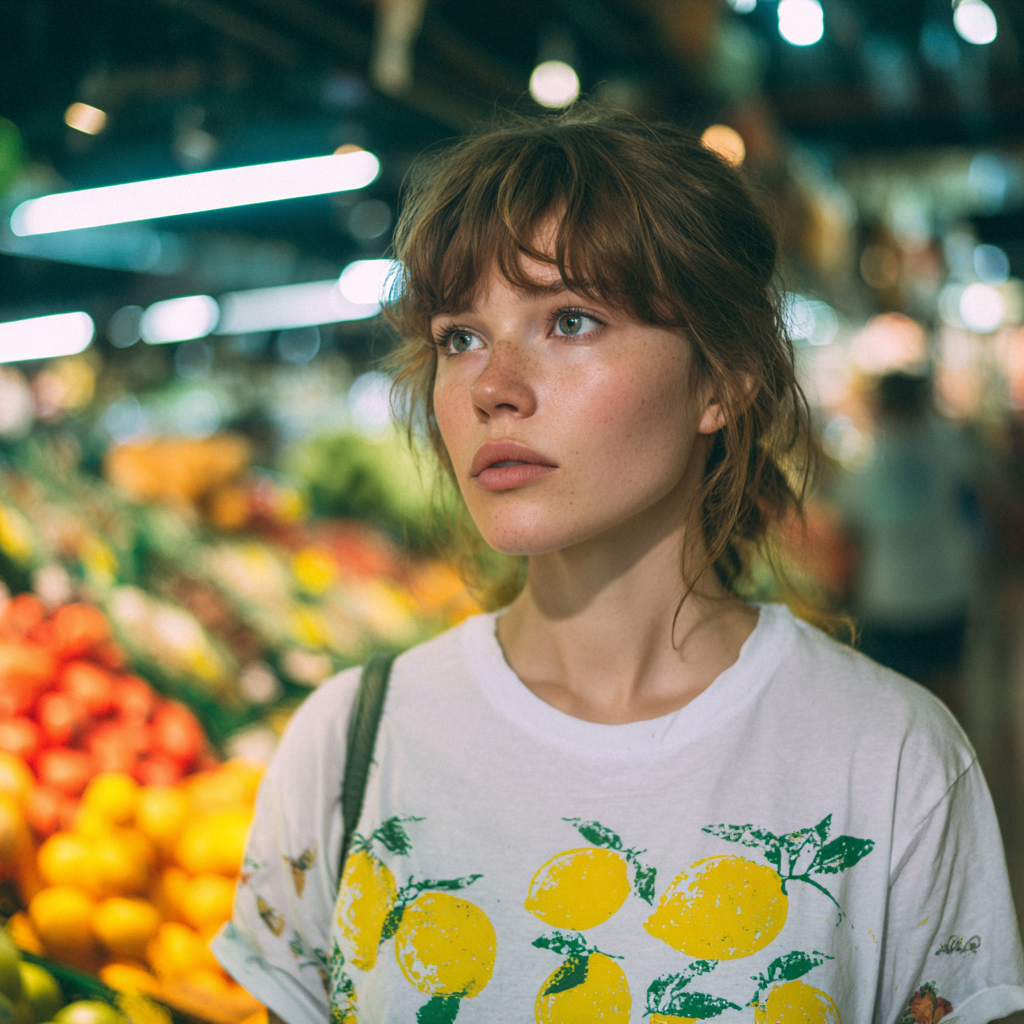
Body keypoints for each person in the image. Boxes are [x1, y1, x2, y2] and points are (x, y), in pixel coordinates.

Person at [212, 108, 1024, 1024]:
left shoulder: (891, 762)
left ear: (723, 381)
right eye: (459, 337)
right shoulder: (350, 747)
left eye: (568, 320)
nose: (492, 386)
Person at [836, 372, 978, 712]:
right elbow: (976, 509)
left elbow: (849, 534)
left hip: (889, 598)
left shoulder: (864, 459)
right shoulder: (951, 447)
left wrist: (845, 595)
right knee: (950, 700)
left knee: (897, 705)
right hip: (946, 589)